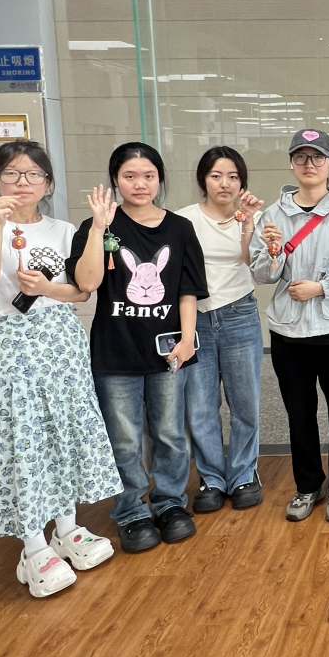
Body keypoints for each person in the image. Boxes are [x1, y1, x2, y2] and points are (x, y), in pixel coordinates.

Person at [0, 140, 120, 598]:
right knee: (21, 438)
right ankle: (33, 547)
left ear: (48, 183)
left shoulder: (62, 230)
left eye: (33, 174)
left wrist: (47, 286)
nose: (22, 182)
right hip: (11, 342)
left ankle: (67, 529)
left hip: (61, 340)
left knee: (63, 431)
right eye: (11, 173)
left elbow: (82, 290)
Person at [68, 142, 208, 553]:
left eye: (148, 176)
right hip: (115, 352)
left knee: (170, 433)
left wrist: (187, 339)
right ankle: (131, 511)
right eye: (129, 176)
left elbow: (187, 290)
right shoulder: (96, 226)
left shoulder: (179, 228)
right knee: (124, 439)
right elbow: (86, 283)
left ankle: (169, 504)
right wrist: (98, 227)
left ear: (160, 179)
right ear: (115, 180)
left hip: (168, 351)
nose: (140, 184)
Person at [250, 129, 329, 523]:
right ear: (291, 163)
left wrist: (322, 288)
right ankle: (307, 486)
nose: (310, 164)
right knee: (298, 413)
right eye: (301, 157)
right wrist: (273, 254)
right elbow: (262, 274)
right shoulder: (272, 216)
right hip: (288, 331)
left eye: (318, 157)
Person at [176, 147, 266, 513]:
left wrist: (248, 224)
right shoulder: (183, 220)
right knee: (201, 406)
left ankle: (244, 474)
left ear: (242, 182)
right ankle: (212, 478)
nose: (224, 183)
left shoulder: (253, 218)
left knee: (245, 402)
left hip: (239, 313)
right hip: (195, 317)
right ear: (203, 180)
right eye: (216, 176)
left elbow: (253, 262)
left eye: (233, 177)